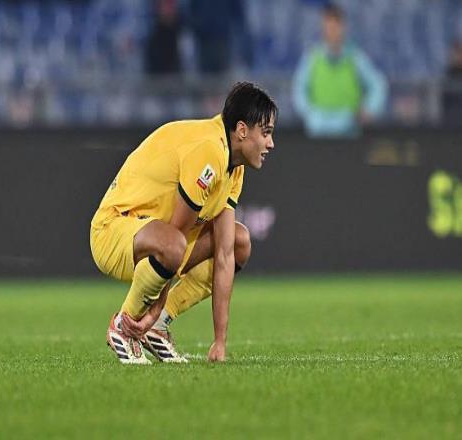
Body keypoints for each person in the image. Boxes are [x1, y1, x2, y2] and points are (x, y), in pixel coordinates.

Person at [90, 82, 277, 364]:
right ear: (241, 130)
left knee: (239, 242)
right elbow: (174, 236)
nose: (270, 144)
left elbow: (225, 254)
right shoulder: (209, 151)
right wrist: (152, 307)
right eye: (266, 133)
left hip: (156, 237)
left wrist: (220, 341)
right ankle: (125, 325)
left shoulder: (234, 167)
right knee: (173, 244)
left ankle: (158, 325)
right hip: (112, 230)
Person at [292, 3, 387, 137]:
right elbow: (299, 88)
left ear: (343, 27)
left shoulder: (355, 58)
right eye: (328, 27)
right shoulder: (312, 58)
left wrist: (369, 109)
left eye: (335, 27)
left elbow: (378, 84)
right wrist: (309, 113)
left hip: (349, 132)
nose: (332, 32)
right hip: (318, 133)